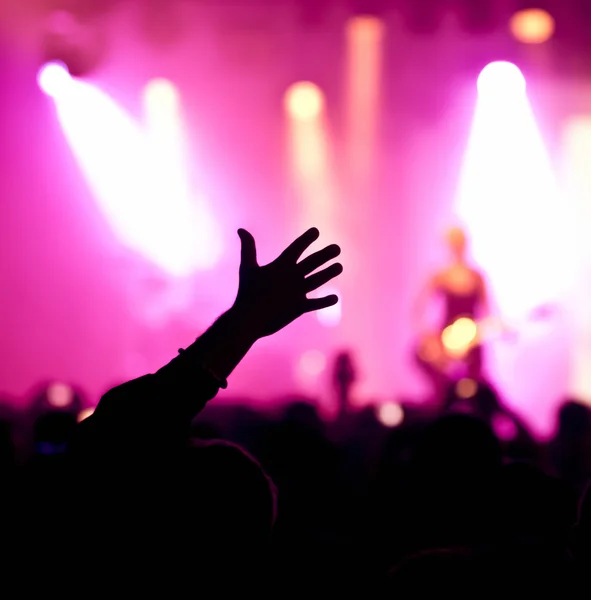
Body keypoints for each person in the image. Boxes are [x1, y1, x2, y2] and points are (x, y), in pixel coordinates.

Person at [413, 226, 489, 404]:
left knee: (473, 393)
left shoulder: (477, 277)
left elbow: (488, 314)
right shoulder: (441, 275)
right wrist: (430, 340)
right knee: (442, 394)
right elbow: (418, 310)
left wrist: (481, 333)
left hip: (472, 343)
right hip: (445, 343)